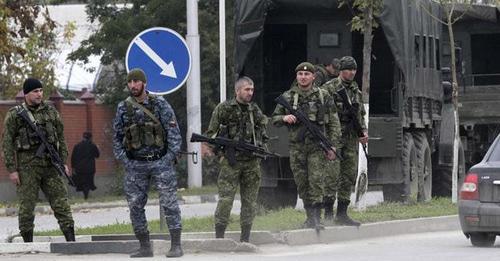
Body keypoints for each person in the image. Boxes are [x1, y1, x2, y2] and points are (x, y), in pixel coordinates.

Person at [113, 68, 183, 258]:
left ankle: (176, 245)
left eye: (137, 81)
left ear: (144, 83)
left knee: (169, 204)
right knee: (135, 205)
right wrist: (125, 161)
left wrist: (167, 159)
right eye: (130, 82)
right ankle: (144, 246)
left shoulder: (159, 104)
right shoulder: (123, 108)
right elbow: (117, 138)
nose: (133, 85)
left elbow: (174, 135)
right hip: (135, 165)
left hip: (160, 162)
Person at [2, 78, 75, 242]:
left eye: (41, 91)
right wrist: (12, 169)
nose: (39, 94)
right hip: (28, 166)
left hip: (51, 165)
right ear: (26, 93)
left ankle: (71, 239)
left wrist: (63, 161)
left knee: (61, 202)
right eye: (35, 91)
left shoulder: (51, 112)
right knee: (27, 206)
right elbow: (7, 143)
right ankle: (27, 243)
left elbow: (61, 138)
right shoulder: (16, 115)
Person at [272, 62, 341, 230]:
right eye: (300, 75)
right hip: (297, 148)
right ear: (297, 77)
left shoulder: (323, 96)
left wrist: (332, 146)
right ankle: (309, 217)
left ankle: (317, 218)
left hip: (317, 147)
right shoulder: (288, 97)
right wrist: (284, 118)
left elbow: (334, 123)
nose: (303, 77)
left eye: (307, 74)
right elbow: (275, 118)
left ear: (313, 77)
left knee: (316, 181)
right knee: (302, 183)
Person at [205, 76, 268, 242]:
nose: (250, 93)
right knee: (226, 200)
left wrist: (261, 147)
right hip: (230, 163)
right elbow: (210, 134)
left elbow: (263, 133)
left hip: (251, 163)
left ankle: (245, 238)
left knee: (250, 202)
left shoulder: (254, 111)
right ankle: (219, 237)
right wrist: (223, 150)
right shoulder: (224, 108)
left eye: (252, 90)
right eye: (247, 89)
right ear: (237, 90)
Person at [321, 56, 368, 226]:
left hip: (350, 138)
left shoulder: (356, 90)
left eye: (354, 69)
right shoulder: (329, 88)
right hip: (333, 136)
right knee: (331, 175)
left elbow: (360, 114)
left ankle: (342, 213)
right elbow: (322, 112)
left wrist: (362, 132)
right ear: (341, 70)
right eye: (348, 69)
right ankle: (327, 212)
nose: (352, 73)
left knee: (348, 175)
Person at [71, 131, 100, 200]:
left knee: (82, 183)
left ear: (83, 137)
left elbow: (73, 157)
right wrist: (97, 148)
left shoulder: (77, 146)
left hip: (79, 168)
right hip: (90, 168)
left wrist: (73, 168)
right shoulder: (93, 146)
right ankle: (86, 196)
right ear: (90, 138)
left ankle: (85, 195)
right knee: (88, 183)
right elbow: (97, 155)